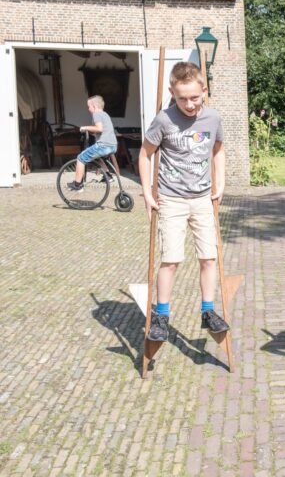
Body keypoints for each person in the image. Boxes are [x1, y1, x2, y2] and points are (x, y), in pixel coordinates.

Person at [138, 61, 229, 342]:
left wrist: (221, 182)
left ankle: (208, 310)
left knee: (208, 257)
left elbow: (218, 150)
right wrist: (147, 193)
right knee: (171, 260)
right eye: (182, 98)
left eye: (194, 97)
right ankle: (162, 315)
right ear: (171, 93)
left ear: (204, 90)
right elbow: (145, 154)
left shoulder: (212, 118)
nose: (189, 104)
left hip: (202, 198)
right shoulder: (164, 120)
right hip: (171, 199)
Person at [66, 95, 117, 191]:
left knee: (81, 158)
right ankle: (107, 175)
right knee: (98, 158)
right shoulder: (105, 114)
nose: (88, 109)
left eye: (89, 106)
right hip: (112, 146)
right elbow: (99, 131)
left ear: (94, 106)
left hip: (103, 145)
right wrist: (89, 131)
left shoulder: (96, 114)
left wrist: (85, 128)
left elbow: (99, 128)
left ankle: (77, 184)